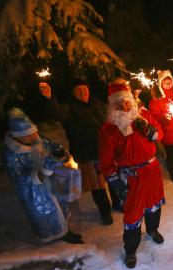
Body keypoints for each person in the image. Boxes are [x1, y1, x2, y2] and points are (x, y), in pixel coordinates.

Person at [99, 82, 165, 269]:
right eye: (119, 103)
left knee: (154, 204)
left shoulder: (143, 117)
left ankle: (152, 230)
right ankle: (130, 250)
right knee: (133, 214)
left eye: (127, 102)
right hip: (131, 176)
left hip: (151, 170)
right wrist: (118, 185)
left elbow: (160, 134)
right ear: (113, 106)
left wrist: (150, 131)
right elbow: (106, 162)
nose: (125, 106)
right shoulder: (108, 129)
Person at [39, 80, 119, 225]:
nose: (83, 92)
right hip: (86, 152)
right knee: (97, 184)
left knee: (113, 177)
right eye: (79, 90)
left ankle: (118, 203)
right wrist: (49, 99)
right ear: (74, 94)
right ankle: (105, 211)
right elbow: (56, 114)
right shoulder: (69, 108)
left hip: (106, 149)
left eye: (85, 88)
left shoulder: (98, 105)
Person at [3, 108, 83, 244]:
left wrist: (61, 153)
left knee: (59, 208)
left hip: (52, 184)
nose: (35, 137)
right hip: (36, 193)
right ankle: (55, 238)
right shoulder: (11, 156)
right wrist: (43, 171)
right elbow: (20, 181)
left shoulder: (38, 140)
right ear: (18, 136)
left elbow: (53, 147)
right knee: (47, 214)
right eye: (29, 135)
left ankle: (64, 230)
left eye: (35, 132)